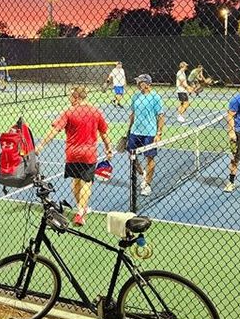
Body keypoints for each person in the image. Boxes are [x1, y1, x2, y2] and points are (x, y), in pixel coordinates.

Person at [35, 86, 112, 226]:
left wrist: (40, 146)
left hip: (72, 154)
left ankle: (81, 209)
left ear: (76, 97)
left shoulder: (68, 112)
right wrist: (108, 148)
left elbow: (54, 131)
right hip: (89, 154)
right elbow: (104, 133)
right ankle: (81, 212)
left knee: (76, 181)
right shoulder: (95, 111)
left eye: (70, 96)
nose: (69, 99)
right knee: (87, 183)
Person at [126, 74, 165, 197]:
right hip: (135, 131)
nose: (138, 84)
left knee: (150, 158)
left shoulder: (156, 98)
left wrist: (159, 133)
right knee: (131, 156)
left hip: (150, 133)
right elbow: (132, 114)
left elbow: (161, 116)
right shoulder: (135, 96)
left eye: (140, 82)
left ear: (147, 84)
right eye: (137, 82)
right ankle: (143, 174)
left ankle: (147, 184)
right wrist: (128, 130)